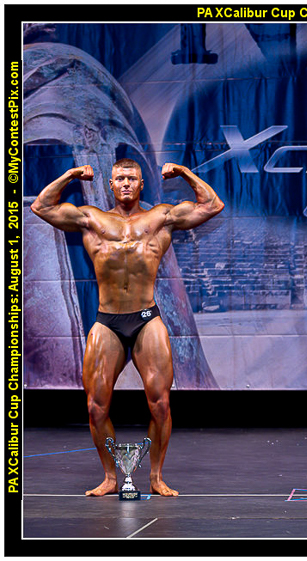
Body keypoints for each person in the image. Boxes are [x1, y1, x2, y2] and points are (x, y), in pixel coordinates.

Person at [31, 159, 224, 496]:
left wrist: (183, 172)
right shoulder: (92, 218)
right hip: (108, 321)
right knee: (95, 406)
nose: (125, 184)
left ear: (141, 184)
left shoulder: (160, 217)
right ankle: (110, 477)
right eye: (120, 178)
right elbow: (41, 206)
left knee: (160, 404)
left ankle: (155, 477)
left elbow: (212, 205)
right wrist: (71, 174)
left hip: (147, 319)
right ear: (110, 184)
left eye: (132, 178)